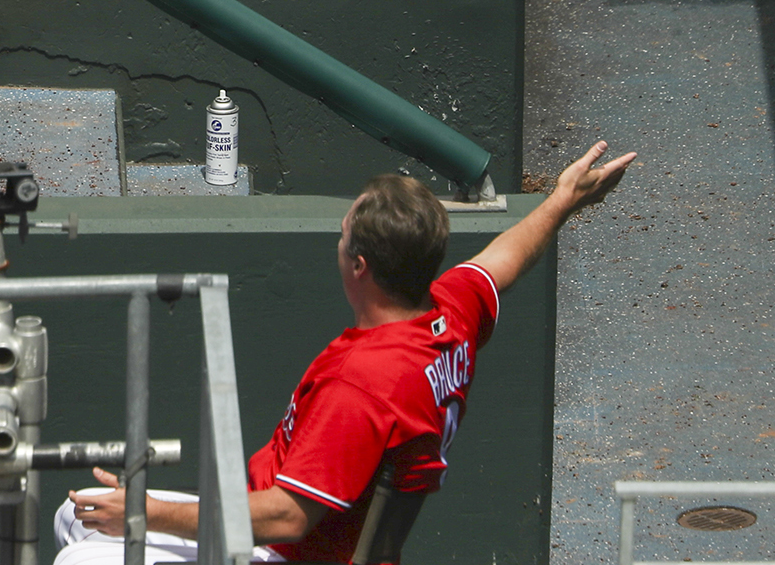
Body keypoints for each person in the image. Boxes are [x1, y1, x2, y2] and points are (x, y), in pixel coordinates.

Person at [55, 141, 637, 563]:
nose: (338, 243)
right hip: (274, 522)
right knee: (75, 518)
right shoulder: (446, 312)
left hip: (285, 553)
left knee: (81, 560)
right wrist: (563, 202)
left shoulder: (363, 385)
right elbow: (501, 261)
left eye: (342, 235)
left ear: (359, 265)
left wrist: (145, 512)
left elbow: (289, 517)